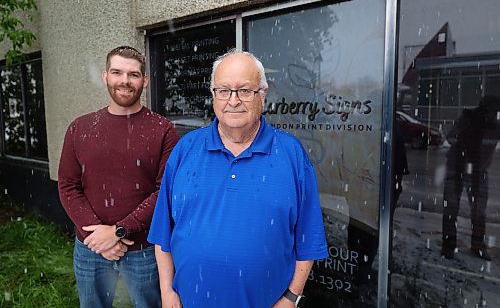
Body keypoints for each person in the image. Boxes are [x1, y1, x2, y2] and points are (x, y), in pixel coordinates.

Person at [148, 49, 328, 308]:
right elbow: (163, 233)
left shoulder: (291, 155)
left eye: (245, 90)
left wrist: (291, 298)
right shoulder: (185, 150)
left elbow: (308, 238)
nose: (233, 101)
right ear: (213, 95)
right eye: (223, 90)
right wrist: (167, 292)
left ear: (262, 95)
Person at [58, 45, 180, 308]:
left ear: (144, 81)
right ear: (105, 77)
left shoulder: (163, 129)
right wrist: (98, 237)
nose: (124, 81)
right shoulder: (80, 128)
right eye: (117, 72)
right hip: (90, 247)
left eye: (133, 74)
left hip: (144, 250)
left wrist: (119, 231)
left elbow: (164, 191)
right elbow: (68, 186)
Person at [441, 95, 500, 260]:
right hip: (458, 167)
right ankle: (453, 245)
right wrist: (462, 130)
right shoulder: (470, 119)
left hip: (474, 171)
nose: (494, 114)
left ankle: (470, 245)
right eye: (493, 111)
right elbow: (451, 137)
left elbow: (451, 138)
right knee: (456, 209)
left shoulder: (493, 126)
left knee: (476, 211)